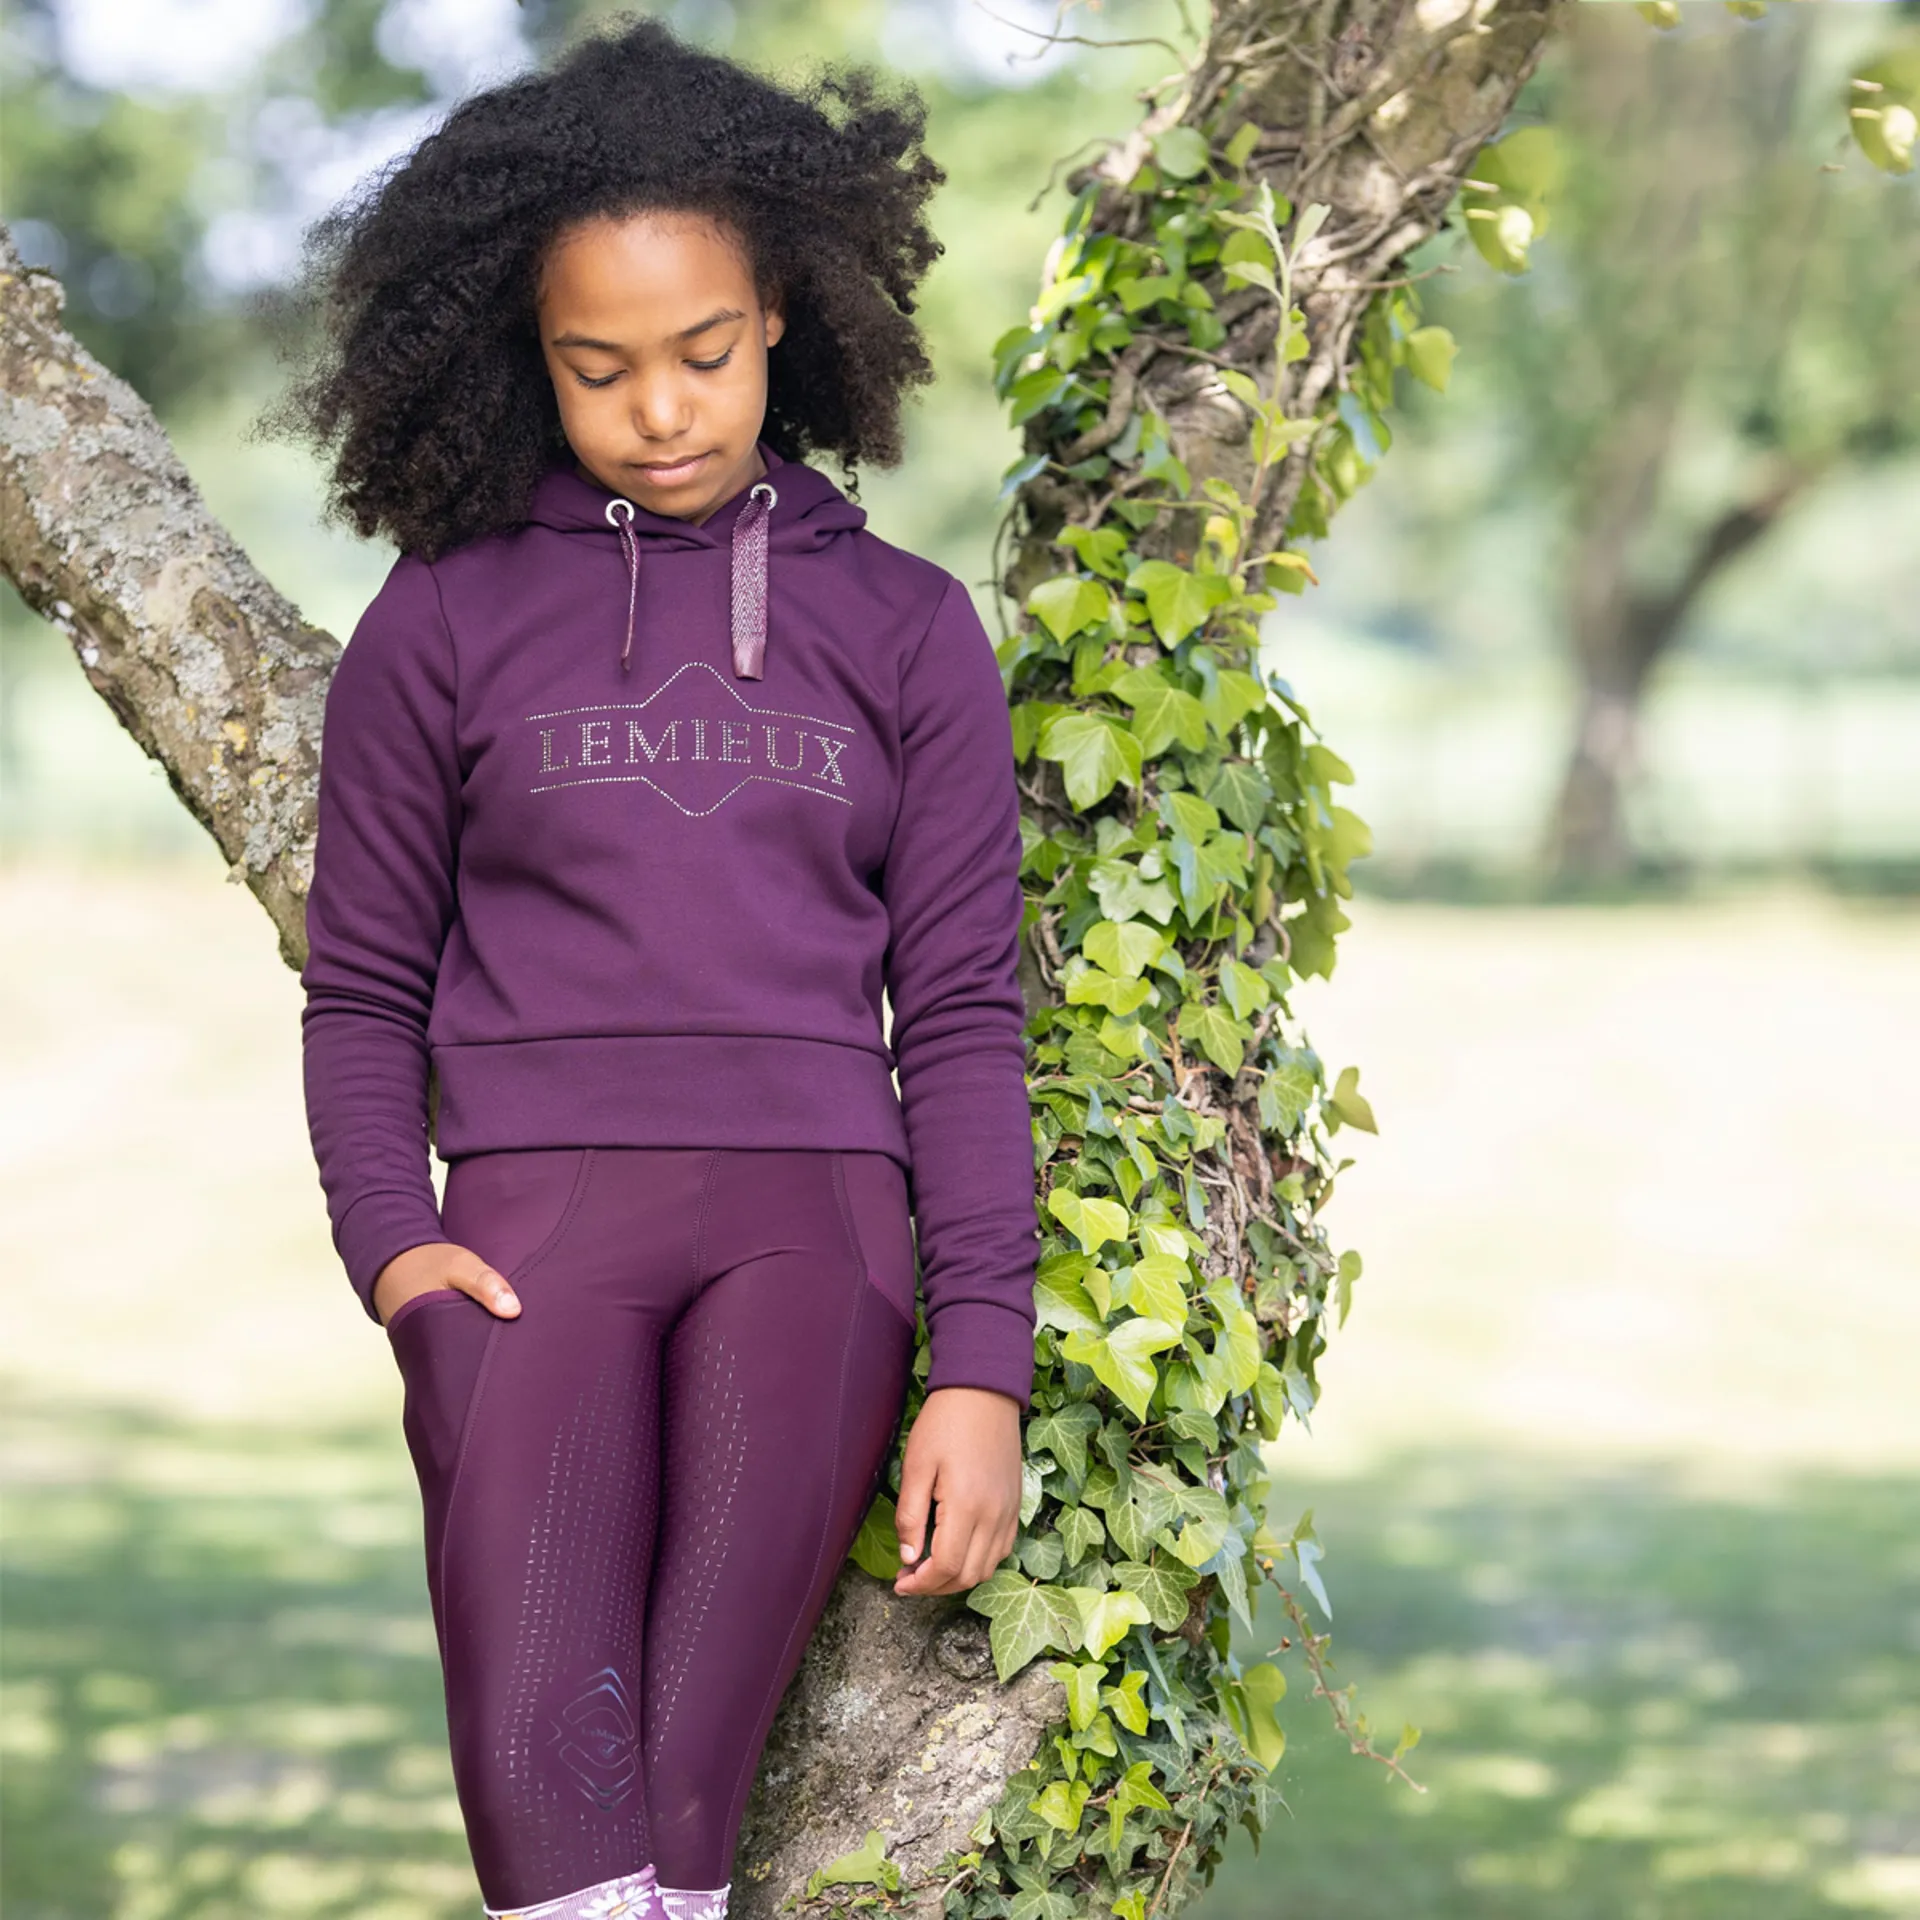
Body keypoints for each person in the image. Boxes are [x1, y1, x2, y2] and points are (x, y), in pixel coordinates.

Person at [272, 16, 1041, 1918]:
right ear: (522, 353)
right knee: (551, 1811)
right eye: (597, 366)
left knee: (688, 1818)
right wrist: (392, 1247)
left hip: (818, 1235)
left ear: (781, 313)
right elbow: (361, 988)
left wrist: (984, 1367)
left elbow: (957, 1014)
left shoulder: (906, 627)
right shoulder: (443, 618)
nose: (662, 411)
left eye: (704, 352)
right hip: (526, 1243)